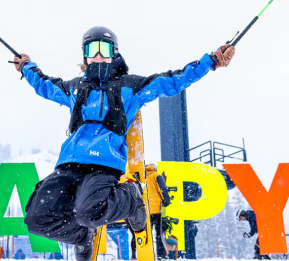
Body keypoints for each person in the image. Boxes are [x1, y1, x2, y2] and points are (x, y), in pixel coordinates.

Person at [17, 26, 235, 261]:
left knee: (89, 212)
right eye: (92, 49)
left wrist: (211, 61)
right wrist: (26, 66)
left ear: (115, 52)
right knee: (36, 219)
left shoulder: (130, 87)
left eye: (105, 48)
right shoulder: (74, 88)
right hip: (69, 165)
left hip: (103, 166)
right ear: (85, 55)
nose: (98, 55)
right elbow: (44, 84)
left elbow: (173, 80)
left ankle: (131, 197)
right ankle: (82, 237)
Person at [130, 164, 171, 260]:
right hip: (156, 210)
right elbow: (162, 189)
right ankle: (161, 256)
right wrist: (166, 201)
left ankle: (141, 255)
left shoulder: (142, 176)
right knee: (159, 233)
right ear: (155, 168)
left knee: (144, 233)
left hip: (144, 210)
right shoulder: (156, 175)